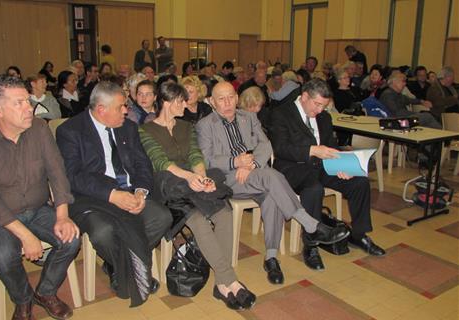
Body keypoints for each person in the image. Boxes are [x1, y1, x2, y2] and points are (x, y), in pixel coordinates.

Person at [196, 82, 349, 284]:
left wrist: (251, 165)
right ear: (212, 102)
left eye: (231, 97)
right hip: (228, 179)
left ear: (237, 97)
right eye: (221, 99)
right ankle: (311, 224)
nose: (228, 103)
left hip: (253, 172)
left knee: (272, 195)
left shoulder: (248, 117)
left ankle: (271, 258)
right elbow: (206, 160)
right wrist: (235, 162)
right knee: (270, 176)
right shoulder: (205, 125)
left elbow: (265, 145)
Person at [0, 75, 80, 320]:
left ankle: (46, 292)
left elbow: (57, 171)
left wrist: (62, 216)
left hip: (39, 208)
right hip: (1, 218)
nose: (29, 108)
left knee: (71, 239)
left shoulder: (39, 129)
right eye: (19, 103)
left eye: (27, 101)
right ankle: (23, 299)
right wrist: (25, 235)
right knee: (4, 255)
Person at [139, 82, 256, 310]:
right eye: (182, 101)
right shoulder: (145, 130)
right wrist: (190, 179)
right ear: (167, 102)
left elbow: (195, 154)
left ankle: (222, 284)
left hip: (193, 183)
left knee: (224, 212)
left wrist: (201, 177)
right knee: (200, 221)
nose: (187, 104)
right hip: (171, 189)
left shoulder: (186, 127)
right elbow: (160, 161)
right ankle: (230, 280)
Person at [55, 81, 172, 307]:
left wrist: (140, 192)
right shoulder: (70, 131)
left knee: (162, 218)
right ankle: (128, 267)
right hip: (93, 196)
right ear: (101, 110)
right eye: (121, 107)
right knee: (103, 231)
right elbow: (73, 176)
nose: (126, 111)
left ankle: (118, 264)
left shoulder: (127, 127)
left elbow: (142, 164)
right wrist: (112, 194)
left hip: (130, 191)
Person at [270, 78, 386, 271]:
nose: (320, 110)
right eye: (317, 105)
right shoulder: (281, 113)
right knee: (313, 189)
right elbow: (281, 148)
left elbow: (330, 147)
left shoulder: (324, 118)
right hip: (292, 169)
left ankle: (358, 235)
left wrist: (343, 165)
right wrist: (312, 150)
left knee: (360, 183)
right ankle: (311, 243)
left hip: (322, 166)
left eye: (324, 106)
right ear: (305, 96)